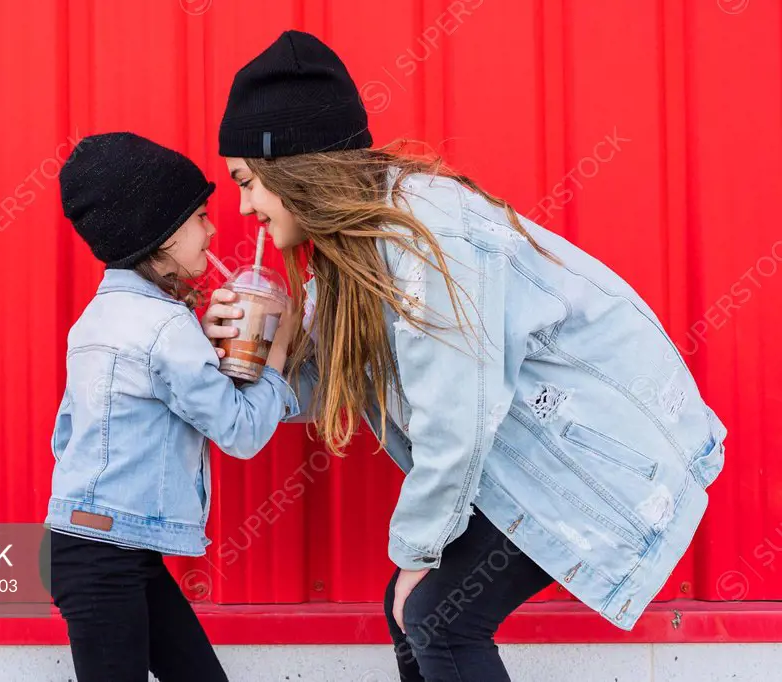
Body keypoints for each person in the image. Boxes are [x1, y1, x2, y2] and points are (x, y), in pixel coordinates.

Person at [201, 30, 728, 682]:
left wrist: (418, 551)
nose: (245, 205)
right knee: (418, 611)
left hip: (591, 450)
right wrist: (273, 342)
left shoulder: (427, 236)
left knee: (436, 615)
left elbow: (456, 415)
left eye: (248, 182)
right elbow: (323, 391)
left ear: (297, 169)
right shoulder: (348, 254)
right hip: (522, 455)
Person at [45, 132, 300, 681]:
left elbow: (67, 437)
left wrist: (200, 346)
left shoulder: (97, 319)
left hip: (89, 544)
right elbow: (242, 432)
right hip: (108, 556)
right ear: (157, 234)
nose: (212, 230)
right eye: (200, 217)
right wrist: (278, 350)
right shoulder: (166, 327)